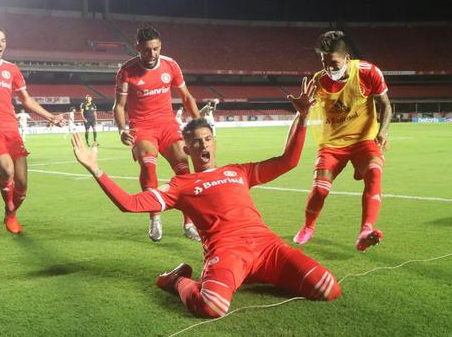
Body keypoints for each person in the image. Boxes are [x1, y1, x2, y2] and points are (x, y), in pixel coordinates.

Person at [72, 78, 341, 318]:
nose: (203, 145)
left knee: (328, 287)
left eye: (208, 139)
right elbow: (129, 204)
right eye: (197, 142)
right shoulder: (181, 185)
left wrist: (302, 117)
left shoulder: (239, 171)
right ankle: (177, 280)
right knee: (211, 306)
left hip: (267, 247)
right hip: (227, 253)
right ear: (186, 148)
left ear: (214, 141)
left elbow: (288, 161)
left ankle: (256, 275)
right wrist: (96, 169)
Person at [293, 30, 392, 251]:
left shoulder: (368, 72)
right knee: (320, 189)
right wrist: (303, 109)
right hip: (332, 144)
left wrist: (383, 131)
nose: (329, 68)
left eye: (334, 63)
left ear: (347, 58)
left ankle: (365, 230)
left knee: (374, 173)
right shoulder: (319, 81)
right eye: (324, 62)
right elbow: (308, 111)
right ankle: (308, 227)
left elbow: (386, 105)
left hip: (363, 140)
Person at [0, 26, 65, 234]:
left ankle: (11, 213)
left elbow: (26, 100)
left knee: (23, 184)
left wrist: (51, 117)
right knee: (7, 169)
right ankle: (9, 209)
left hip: (11, 128)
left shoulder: (12, 70)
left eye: (3, 40)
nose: (0, 44)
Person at [113, 26, 201, 242]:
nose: (152, 55)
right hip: (141, 127)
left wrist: (199, 124)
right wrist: (123, 130)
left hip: (168, 125)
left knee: (184, 172)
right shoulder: (127, 71)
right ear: (137, 48)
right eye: (146, 50)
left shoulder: (170, 65)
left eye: (156, 49)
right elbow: (119, 105)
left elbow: (186, 96)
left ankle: (189, 223)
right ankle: (155, 217)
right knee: (148, 165)